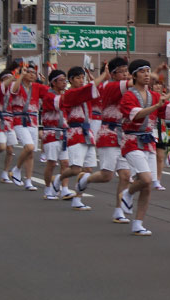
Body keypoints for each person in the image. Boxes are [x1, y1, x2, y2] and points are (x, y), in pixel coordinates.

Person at [119, 59, 170, 235]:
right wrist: (156, 106)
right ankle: (127, 194)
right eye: (142, 71)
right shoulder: (128, 96)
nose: (147, 74)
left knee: (148, 186)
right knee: (146, 179)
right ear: (134, 75)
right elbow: (136, 115)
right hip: (131, 141)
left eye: (148, 71)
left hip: (148, 142)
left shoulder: (155, 96)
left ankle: (138, 223)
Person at [80, 57, 133, 223]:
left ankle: (118, 211)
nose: (125, 75)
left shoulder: (128, 89)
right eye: (122, 72)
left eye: (127, 71)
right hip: (108, 133)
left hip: (124, 135)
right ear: (112, 73)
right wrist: (148, 74)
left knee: (125, 175)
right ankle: (85, 178)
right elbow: (130, 84)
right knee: (106, 176)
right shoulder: (109, 87)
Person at [49, 65, 110, 209]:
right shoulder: (69, 94)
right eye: (78, 78)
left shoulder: (85, 94)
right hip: (75, 132)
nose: (81, 80)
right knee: (76, 169)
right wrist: (102, 77)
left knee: (88, 170)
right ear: (71, 80)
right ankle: (59, 178)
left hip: (87, 132)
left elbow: (97, 92)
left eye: (83, 77)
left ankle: (77, 199)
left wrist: (104, 81)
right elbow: (86, 90)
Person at [9, 64, 49, 191]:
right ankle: (16, 169)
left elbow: (50, 92)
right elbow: (13, 91)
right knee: (29, 147)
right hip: (19, 120)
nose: (32, 74)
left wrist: (45, 80)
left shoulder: (37, 86)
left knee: (31, 153)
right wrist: (20, 75)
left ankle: (28, 181)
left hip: (33, 121)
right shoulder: (17, 84)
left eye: (34, 72)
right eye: (29, 72)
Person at [40, 69, 70, 200]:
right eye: (61, 80)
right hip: (51, 132)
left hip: (64, 133)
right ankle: (47, 188)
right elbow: (61, 103)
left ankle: (64, 189)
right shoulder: (49, 96)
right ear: (53, 82)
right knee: (52, 163)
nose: (64, 83)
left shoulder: (64, 95)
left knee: (65, 163)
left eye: (65, 80)